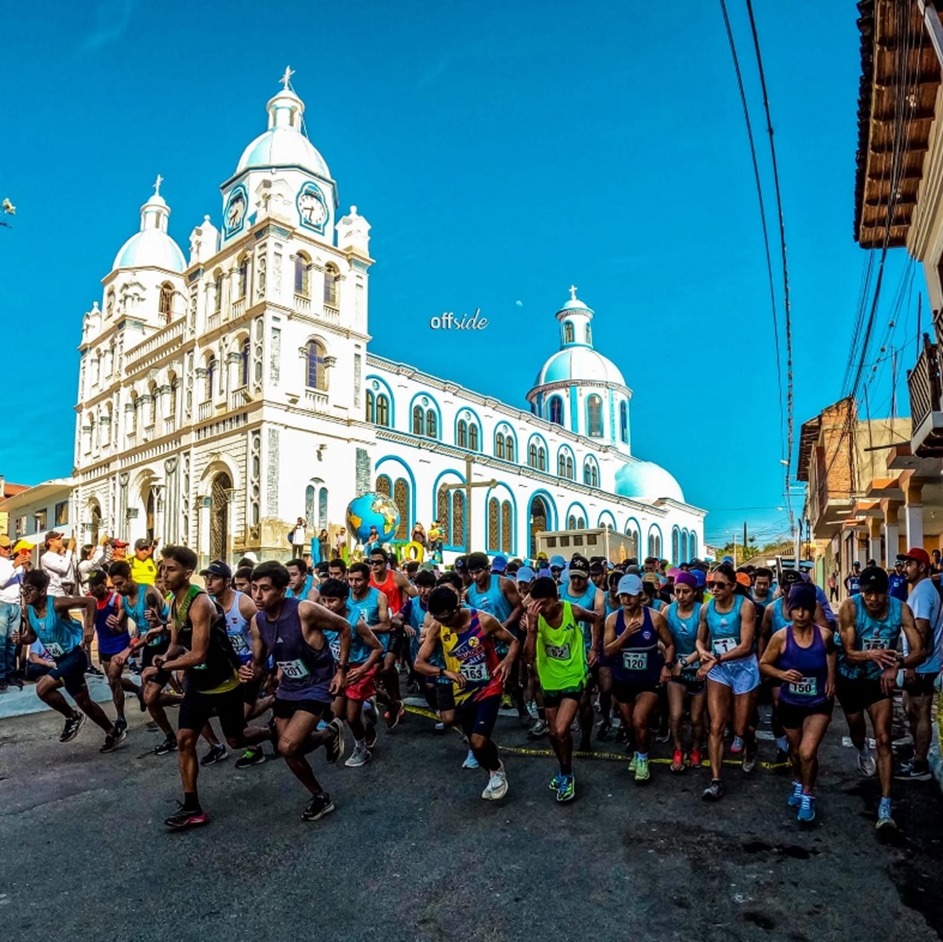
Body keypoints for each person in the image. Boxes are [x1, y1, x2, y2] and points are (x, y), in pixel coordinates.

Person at [141, 545, 264, 831]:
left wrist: (160, 668)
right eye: (162, 568)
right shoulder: (174, 602)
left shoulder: (200, 604)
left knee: (236, 739)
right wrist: (165, 656)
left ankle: (272, 733)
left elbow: (197, 654)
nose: (164, 574)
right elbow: (176, 644)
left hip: (223, 683)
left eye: (171, 569)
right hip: (198, 683)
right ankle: (192, 807)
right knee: (185, 740)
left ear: (187, 573)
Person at [244, 561, 349, 822]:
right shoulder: (257, 621)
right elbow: (258, 663)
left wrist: (341, 671)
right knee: (288, 748)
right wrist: (248, 674)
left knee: (288, 746)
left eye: (265, 589)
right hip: (289, 686)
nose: (257, 595)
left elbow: (345, 628)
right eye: (254, 588)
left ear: (282, 591)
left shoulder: (305, 610)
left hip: (317, 684)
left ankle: (322, 788)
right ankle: (321, 788)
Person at [836, 565, 923, 830]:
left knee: (884, 738)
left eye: (879, 593)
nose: (873, 599)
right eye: (868, 593)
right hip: (850, 677)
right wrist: (870, 655)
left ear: (888, 591)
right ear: (861, 592)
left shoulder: (901, 609)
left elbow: (919, 651)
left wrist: (897, 664)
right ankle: (862, 750)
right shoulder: (850, 608)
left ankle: (885, 805)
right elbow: (848, 653)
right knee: (857, 730)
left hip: (878, 680)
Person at [416, 586, 519, 800]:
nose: (445, 624)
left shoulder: (483, 620)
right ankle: (493, 769)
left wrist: (508, 660)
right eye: (439, 619)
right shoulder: (438, 626)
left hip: (489, 686)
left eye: (447, 618)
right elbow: (419, 662)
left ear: (457, 608)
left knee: (479, 742)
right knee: (475, 742)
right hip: (462, 691)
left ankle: (497, 770)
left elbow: (513, 642)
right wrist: (445, 672)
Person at [13, 569, 124, 749]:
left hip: (75, 656)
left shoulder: (57, 604)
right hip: (60, 659)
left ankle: (72, 717)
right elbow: (31, 637)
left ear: (42, 591)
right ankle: (112, 731)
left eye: (30, 589)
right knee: (84, 702)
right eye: (23, 589)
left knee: (42, 688)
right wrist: (21, 639)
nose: (25, 593)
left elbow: (90, 602)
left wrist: (89, 627)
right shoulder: (28, 610)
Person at [760, 582, 836, 825]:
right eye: (796, 609)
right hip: (790, 702)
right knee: (795, 751)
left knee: (807, 751)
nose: (801, 614)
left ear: (813, 610)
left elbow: (832, 653)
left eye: (806, 609)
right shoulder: (781, 637)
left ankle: (808, 794)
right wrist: (782, 674)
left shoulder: (824, 635)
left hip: (818, 702)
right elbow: (764, 664)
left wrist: (831, 678)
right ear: (789, 610)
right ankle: (798, 781)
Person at [524, 576, 595, 802]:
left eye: (545, 603)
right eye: (536, 604)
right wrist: (532, 628)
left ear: (556, 598)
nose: (541, 609)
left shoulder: (572, 611)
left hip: (573, 676)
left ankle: (567, 774)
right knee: (553, 733)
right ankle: (564, 770)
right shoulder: (534, 618)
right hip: (550, 680)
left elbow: (597, 619)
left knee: (562, 729)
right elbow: (528, 658)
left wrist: (594, 648)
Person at [696, 562, 761, 801]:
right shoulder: (706, 609)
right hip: (719, 670)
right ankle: (715, 781)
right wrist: (702, 652)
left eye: (720, 585)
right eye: (711, 584)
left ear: (733, 586)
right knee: (716, 726)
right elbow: (700, 640)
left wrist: (715, 659)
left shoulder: (745, 606)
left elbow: (745, 645)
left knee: (740, 728)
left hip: (743, 668)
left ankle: (750, 745)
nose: (714, 589)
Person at [603, 574, 675, 783]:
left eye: (630, 595)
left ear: (640, 595)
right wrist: (625, 636)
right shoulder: (612, 620)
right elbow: (607, 651)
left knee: (639, 719)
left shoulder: (654, 618)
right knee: (628, 724)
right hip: (623, 679)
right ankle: (636, 751)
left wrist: (667, 666)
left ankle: (643, 757)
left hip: (648, 680)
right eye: (622, 595)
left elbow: (670, 644)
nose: (626, 599)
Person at [200, 559, 268, 768]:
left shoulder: (244, 604)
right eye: (206, 578)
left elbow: (266, 633)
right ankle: (248, 747)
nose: (209, 583)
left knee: (241, 716)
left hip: (249, 664)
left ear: (227, 581)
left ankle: (260, 739)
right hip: (226, 666)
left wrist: (260, 665)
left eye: (214, 579)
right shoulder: (207, 604)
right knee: (201, 709)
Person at [108, 560, 177, 755]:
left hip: (166, 645)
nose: (117, 589)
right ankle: (172, 734)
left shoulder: (148, 594)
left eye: (120, 584)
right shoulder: (123, 600)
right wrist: (114, 624)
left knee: (150, 697)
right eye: (114, 585)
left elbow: (162, 627)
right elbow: (122, 628)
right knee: (149, 699)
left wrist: (129, 650)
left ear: (130, 578)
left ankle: (185, 703)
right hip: (148, 647)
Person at [318, 577, 384, 767]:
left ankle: (361, 749)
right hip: (338, 669)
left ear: (344, 599)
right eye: (324, 600)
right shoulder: (323, 618)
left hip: (357, 669)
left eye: (332, 601)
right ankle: (367, 707)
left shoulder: (356, 622)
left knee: (352, 716)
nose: (327, 605)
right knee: (336, 714)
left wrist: (363, 670)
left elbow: (378, 648)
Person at [896, 548, 943, 782]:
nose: (904, 569)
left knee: (921, 710)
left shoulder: (923, 592)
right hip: (918, 662)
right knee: (909, 707)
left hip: (923, 664)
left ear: (922, 567)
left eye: (909, 564)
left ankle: (920, 763)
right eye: (904, 564)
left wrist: (911, 664)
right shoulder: (919, 590)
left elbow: (922, 631)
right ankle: (917, 756)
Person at [86, 569, 140, 747]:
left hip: (119, 644)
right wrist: (86, 639)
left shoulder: (117, 599)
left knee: (113, 679)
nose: (92, 589)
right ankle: (138, 690)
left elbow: (122, 628)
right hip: (104, 646)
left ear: (104, 584)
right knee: (113, 680)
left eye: (96, 585)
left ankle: (121, 718)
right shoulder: (90, 601)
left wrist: (115, 624)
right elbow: (89, 625)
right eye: (90, 586)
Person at [558, 554, 603, 752]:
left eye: (581, 577)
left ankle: (585, 737)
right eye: (573, 577)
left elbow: (598, 618)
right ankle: (563, 732)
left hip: (584, 651)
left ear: (588, 577)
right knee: (562, 696)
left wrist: (594, 648)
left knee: (584, 699)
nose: (576, 581)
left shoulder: (596, 594)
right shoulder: (559, 590)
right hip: (562, 651)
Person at [368, 548, 417, 726]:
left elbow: (415, 596)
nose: (375, 565)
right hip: (376, 628)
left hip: (394, 628)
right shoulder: (367, 579)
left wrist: (402, 614)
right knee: (380, 669)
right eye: (372, 562)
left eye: (379, 562)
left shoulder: (397, 577)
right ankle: (395, 701)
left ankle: (396, 700)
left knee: (387, 667)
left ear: (386, 563)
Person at [664, 571, 705, 772]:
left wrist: (684, 662)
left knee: (697, 718)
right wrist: (669, 661)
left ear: (695, 592)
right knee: (676, 715)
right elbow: (660, 639)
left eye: (686, 591)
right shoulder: (668, 611)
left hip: (698, 670)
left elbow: (704, 644)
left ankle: (696, 748)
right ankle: (678, 750)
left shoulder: (702, 611)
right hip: (676, 673)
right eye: (677, 591)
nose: (681, 596)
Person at [347, 561, 390, 747]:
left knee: (358, 697)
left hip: (373, 652)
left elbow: (386, 625)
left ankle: (364, 737)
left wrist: (362, 629)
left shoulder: (379, 597)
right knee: (360, 693)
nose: (353, 584)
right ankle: (384, 704)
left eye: (358, 580)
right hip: (350, 653)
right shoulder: (344, 596)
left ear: (367, 580)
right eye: (350, 579)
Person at [0, 534, 30, 690]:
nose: (8, 550)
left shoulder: (14, 563)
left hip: (16, 605)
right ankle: (1, 676)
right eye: (5, 547)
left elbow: (23, 583)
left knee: (13, 642)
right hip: (2, 604)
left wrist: (24, 567)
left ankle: (10, 673)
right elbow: (1, 582)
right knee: (1, 643)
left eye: (9, 547)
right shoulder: (7, 564)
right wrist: (14, 566)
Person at [40, 531, 77, 598]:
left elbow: (72, 569)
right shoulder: (45, 557)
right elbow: (64, 568)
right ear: (51, 542)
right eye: (58, 539)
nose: (61, 540)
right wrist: (69, 550)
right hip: (52, 594)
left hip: (64, 593)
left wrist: (72, 552)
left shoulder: (60, 556)